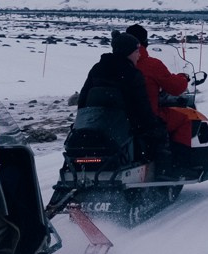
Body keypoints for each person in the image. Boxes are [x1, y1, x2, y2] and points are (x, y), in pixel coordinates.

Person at [74, 30, 169, 164]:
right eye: (136, 51)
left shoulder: (97, 69)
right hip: (123, 126)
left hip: (94, 123)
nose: (139, 55)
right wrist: (153, 125)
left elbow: (83, 99)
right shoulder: (132, 74)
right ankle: (162, 171)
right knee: (160, 133)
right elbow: (142, 106)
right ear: (128, 52)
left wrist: (81, 122)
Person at [125, 23, 201, 147]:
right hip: (147, 118)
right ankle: (181, 157)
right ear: (145, 42)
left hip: (121, 117)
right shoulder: (152, 65)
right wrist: (183, 78)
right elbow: (176, 88)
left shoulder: (114, 65)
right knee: (185, 119)